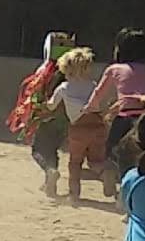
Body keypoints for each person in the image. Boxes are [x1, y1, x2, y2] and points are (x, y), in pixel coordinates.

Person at [83, 27, 145, 197]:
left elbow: (98, 93)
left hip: (125, 118)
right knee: (141, 156)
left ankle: (112, 177)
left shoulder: (114, 69)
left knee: (112, 151)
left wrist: (89, 108)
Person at [8, 32, 76, 197]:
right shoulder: (75, 73)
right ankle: (49, 185)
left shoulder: (47, 72)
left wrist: (32, 115)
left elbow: (36, 95)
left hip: (48, 117)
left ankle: (49, 171)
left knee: (38, 149)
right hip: (66, 121)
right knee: (52, 149)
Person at [39, 47, 104, 204]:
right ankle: (105, 173)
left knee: (75, 162)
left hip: (78, 127)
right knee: (95, 161)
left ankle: (74, 194)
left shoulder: (64, 88)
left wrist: (42, 104)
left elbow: (51, 106)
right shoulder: (93, 85)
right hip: (97, 125)